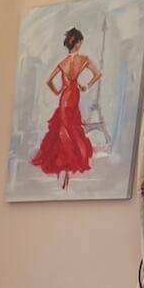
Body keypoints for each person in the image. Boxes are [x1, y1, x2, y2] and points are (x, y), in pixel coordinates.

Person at [30, 26, 102, 190]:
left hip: (64, 98)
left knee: (63, 130)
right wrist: (86, 87)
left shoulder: (63, 63)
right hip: (74, 96)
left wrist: (57, 91)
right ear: (77, 44)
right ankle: (68, 171)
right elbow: (98, 73)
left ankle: (63, 169)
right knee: (72, 129)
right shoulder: (83, 59)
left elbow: (49, 80)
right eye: (81, 42)